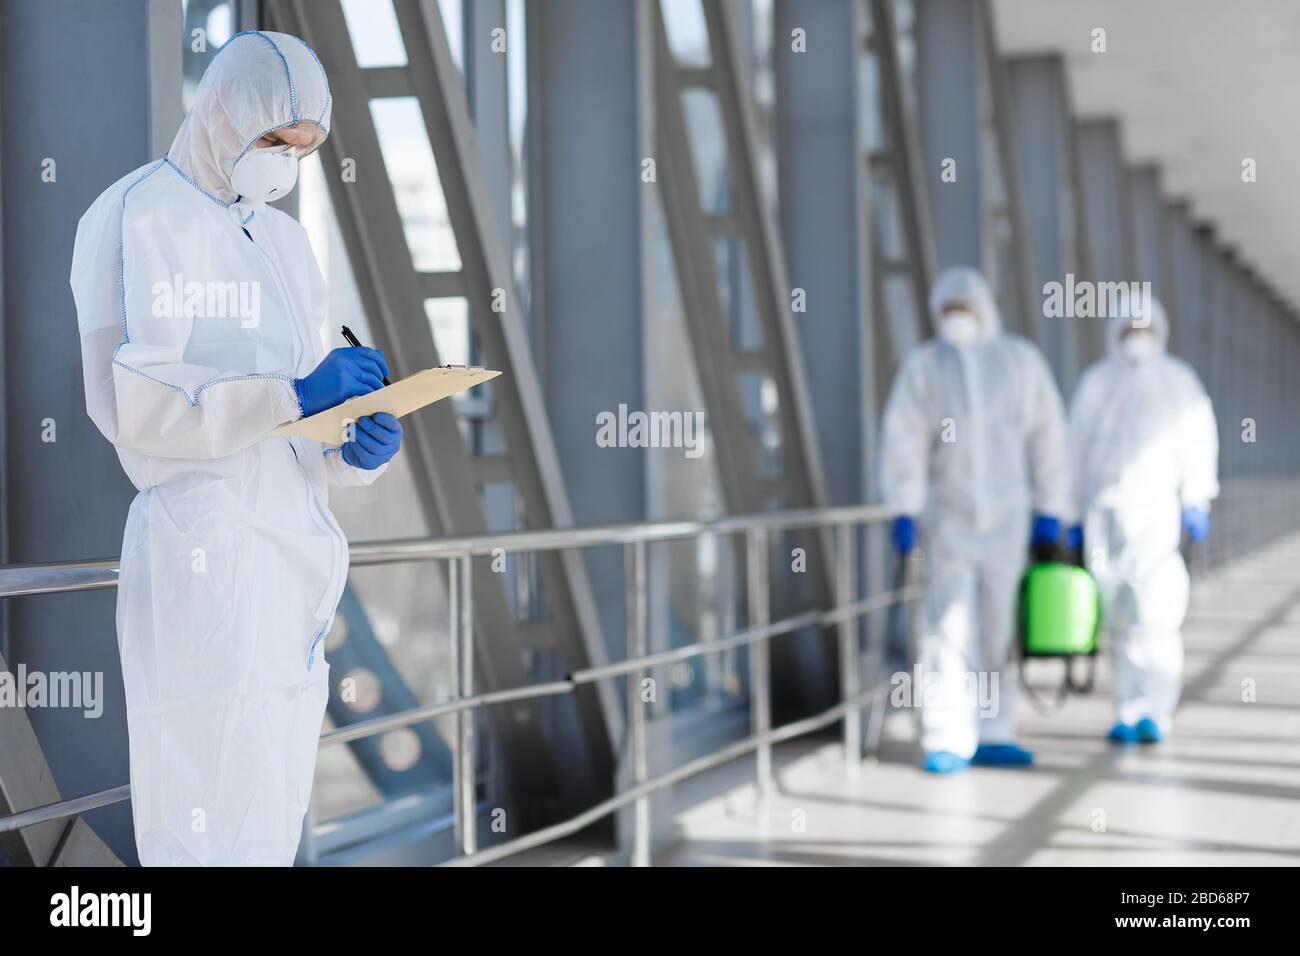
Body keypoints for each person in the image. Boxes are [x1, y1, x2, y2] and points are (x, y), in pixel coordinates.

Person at [70, 31, 402, 865]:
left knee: (273, 806)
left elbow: (295, 429)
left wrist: (354, 442)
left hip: (292, 577)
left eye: (303, 149)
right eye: (273, 140)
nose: (284, 164)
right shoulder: (135, 215)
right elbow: (132, 406)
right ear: (220, 112)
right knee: (201, 811)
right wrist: (295, 393)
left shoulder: (285, 244)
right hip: (202, 561)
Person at [879, 267, 1069, 773]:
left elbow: (1049, 437)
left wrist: (1052, 507)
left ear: (985, 308)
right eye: (947, 310)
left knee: (999, 627)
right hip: (949, 520)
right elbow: (905, 440)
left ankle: (995, 729)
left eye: (964, 309)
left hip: (1008, 518)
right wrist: (904, 505)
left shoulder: (1019, 362)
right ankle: (945, 734)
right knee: (946, 628)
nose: (955, 319)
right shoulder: (924, 368)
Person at [1067, 297, 1218, 744]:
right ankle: (1127, 708)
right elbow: (1074, 448)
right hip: (1105, 511)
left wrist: (1198, 497)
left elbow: (1198, 439)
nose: (1138, 336)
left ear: (1161, 329)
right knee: (1116, 612)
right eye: (1130, 327)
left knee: (1156, 611)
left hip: (1157, 510)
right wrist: (1068, 512)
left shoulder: (1178, 381)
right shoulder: (1097, 382)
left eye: (1145, 327)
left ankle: (1157, 707)